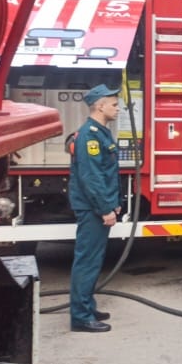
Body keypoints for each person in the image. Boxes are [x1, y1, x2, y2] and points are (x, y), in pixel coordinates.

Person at [67, 83, 122, 333]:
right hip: (92, 209)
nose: (118, 108)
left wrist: (114, 203)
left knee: (93, 259)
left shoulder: (100, 132)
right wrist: (104, 209)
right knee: (87, 261)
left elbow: (106, 173)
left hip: (98, 205)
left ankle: (87, 305)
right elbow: (91, 178)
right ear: (100, 106)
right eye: (113, 104)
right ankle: (80, 316)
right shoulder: (89, 135)